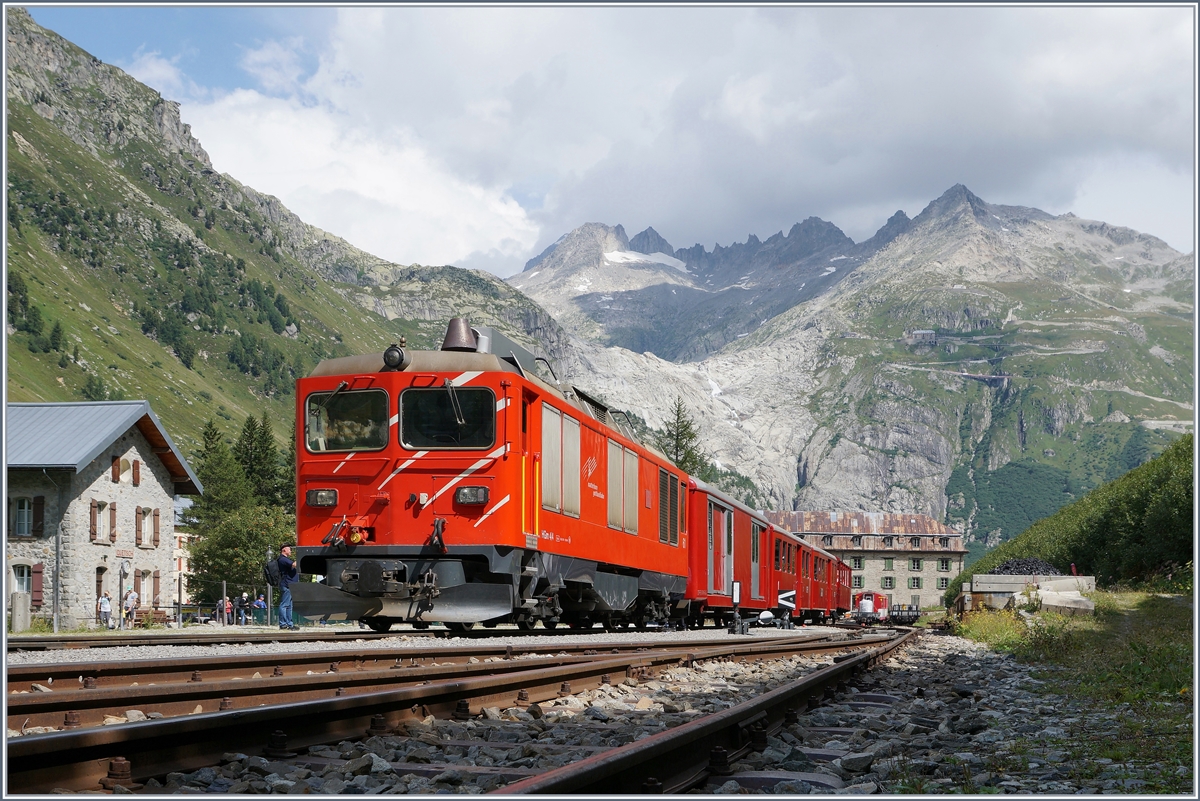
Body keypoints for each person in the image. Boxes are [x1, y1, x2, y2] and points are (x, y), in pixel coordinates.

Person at [277, 545, 299, 631]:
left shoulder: (285, 559)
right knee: (284, 605)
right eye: (289, 549)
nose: (290, 551)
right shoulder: (283, 559)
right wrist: (301, 556)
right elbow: (294, 564)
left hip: (290, 585)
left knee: (289, 606)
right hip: (287, 584)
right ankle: (283, 624)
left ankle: (289, 624)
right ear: (284, 550)